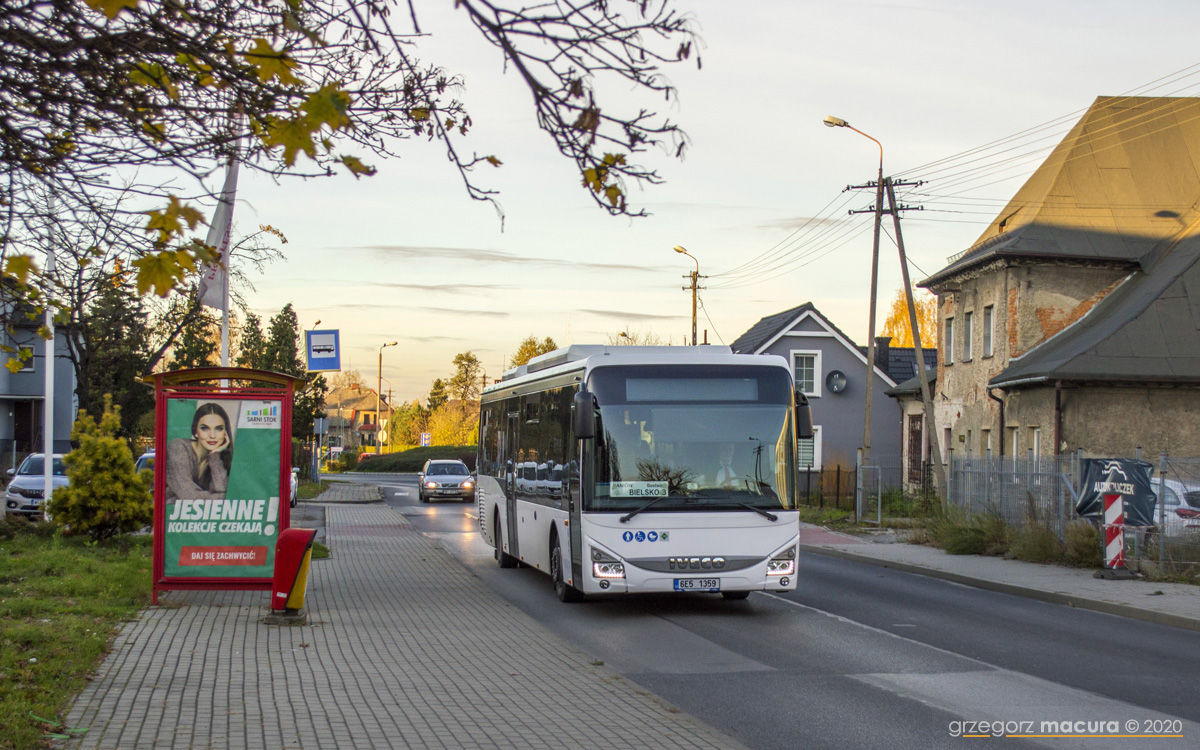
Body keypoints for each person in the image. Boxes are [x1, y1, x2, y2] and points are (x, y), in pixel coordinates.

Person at [166, 402, 233, 501]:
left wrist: (214, 456)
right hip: (170, 513)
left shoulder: (220, 458)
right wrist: (223, 498)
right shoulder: (178, 447)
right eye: (205, 428)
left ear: (225, 433)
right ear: (196, 432)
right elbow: (187, 495)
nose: (212, 435)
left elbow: (222, 489)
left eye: (219, 429)